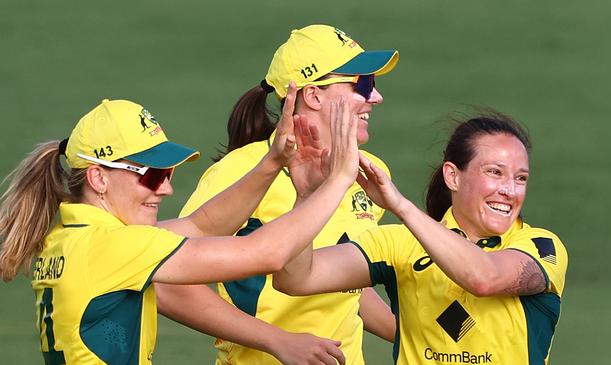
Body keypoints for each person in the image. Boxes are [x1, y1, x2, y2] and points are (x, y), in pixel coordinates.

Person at [0, 96, 360, 365]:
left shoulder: (68, 237)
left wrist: (271, 164)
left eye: (168, 175)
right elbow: (266, 253)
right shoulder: (116, 247)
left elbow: (201, 225)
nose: (166, 189)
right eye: (153, 175)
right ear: (98, 178)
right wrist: (338, 179)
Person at [155, 24, 400, 365]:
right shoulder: (243, 173)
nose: (376, 97)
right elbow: (167, 284)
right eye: (363, 84)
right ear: (313, 95)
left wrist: (408, 333)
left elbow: (340, 280)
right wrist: (278, 341)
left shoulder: (368, 172)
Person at [274, 112, 569, 364]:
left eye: (520, 178)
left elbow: (484, 278)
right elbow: (295, 279)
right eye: (495, 172)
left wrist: (401, 207)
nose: (509, 190)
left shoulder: (542, 248)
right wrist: (306, 197)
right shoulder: (398, 244)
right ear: (453, 177)